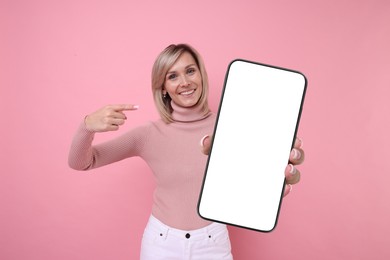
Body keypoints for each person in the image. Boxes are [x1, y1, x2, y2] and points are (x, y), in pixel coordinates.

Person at [68, 43, 304, 260]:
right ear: (163, 87)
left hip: (213, 244)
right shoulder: (148, 134)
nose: (184, 82)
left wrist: (271, 184)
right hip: (161, 245)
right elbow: (82, 162)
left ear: (201, 74)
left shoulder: (231, 127)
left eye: (190, 71)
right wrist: (86, 125)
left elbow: (250, 180)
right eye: (173, 76)